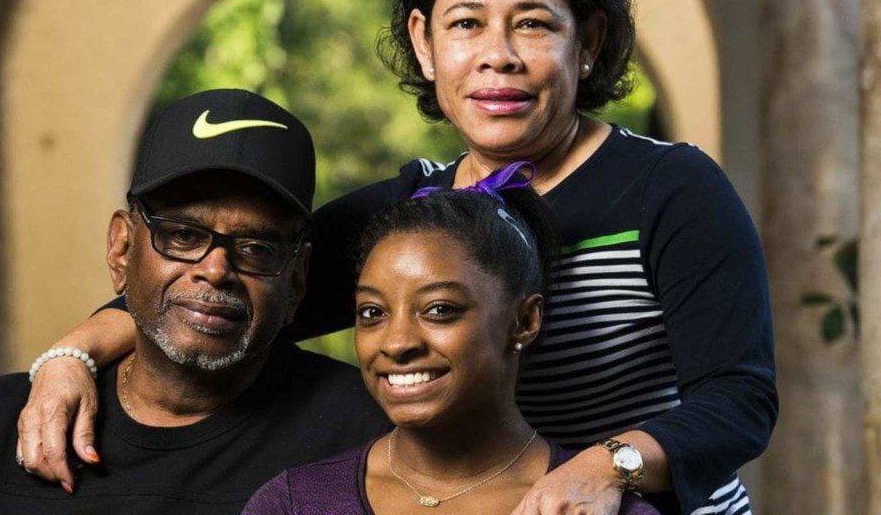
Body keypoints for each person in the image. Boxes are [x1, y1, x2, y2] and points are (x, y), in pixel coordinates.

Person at [18, 0, 777, 514]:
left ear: (589, 42)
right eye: (466, 24)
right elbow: (242, 292)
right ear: (424, 41)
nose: (497, 58)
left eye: (535, 24)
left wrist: (601, 469)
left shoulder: (670, 188)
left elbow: (739, 399)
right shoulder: (415, 217)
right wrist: (70, 354)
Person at [0, 90, 389, 514]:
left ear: (298, 281)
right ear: (121, 249)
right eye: (181, 235)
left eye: (257, 249)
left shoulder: (367, 432)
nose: (216, 269)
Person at [244, 167, 658, 514]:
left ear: (525, 320)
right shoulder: (292, 503)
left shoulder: (597, 508)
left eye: (439, 309)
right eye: (373, 313)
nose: (396, 343)